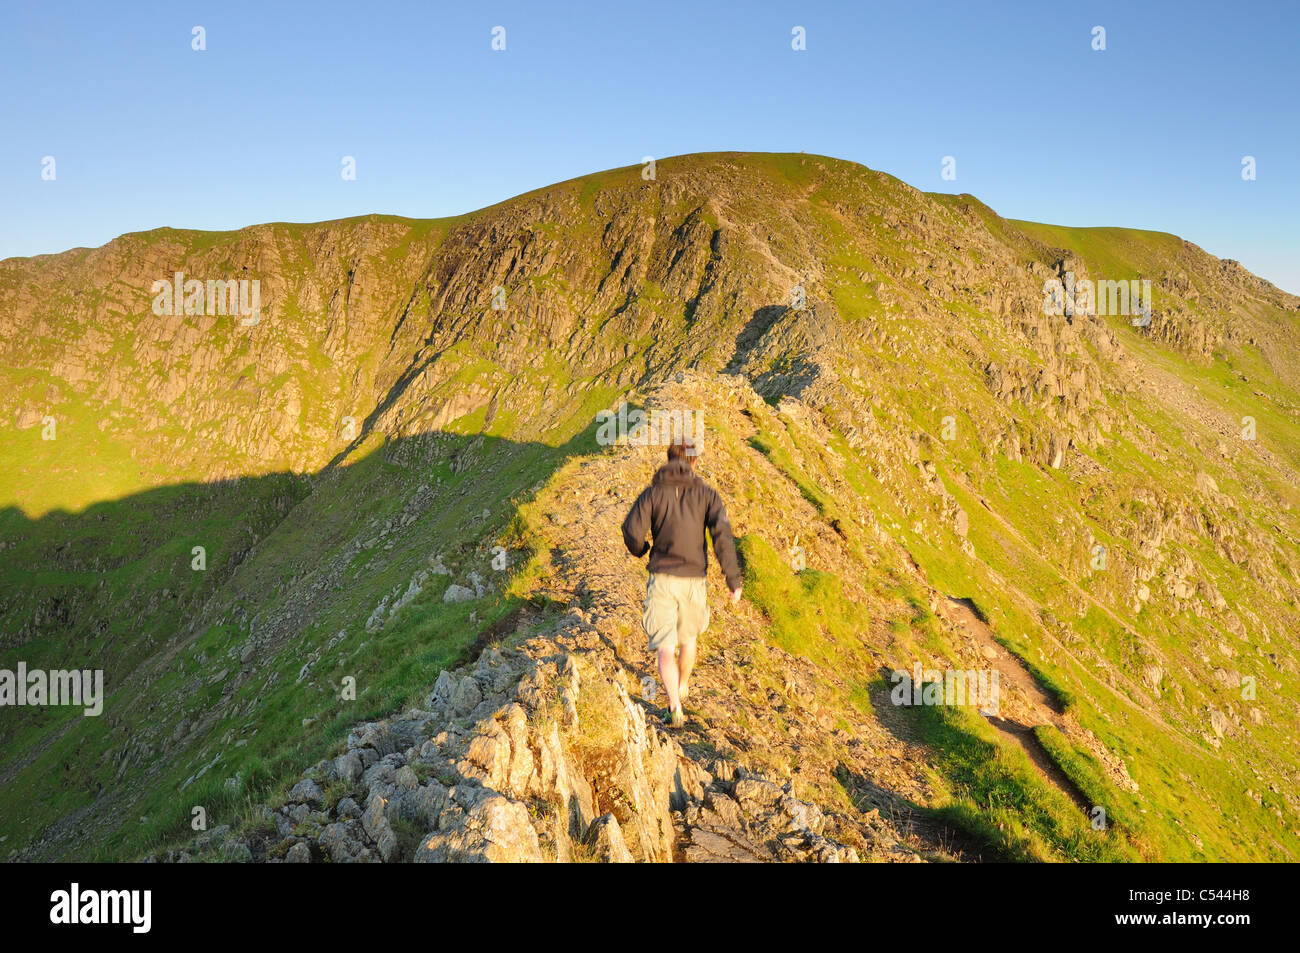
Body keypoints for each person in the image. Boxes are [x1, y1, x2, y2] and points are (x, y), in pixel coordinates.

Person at [621, 436, 743, 728]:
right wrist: (733, 579)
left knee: (665, 647)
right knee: (688, 640)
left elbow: (631, 531)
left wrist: (642, 550)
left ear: (668, 459)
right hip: (693, 580)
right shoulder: (707, 495)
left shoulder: (652, 494)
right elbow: (722, 537)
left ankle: (674, 706)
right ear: (693, 462)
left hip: (662, 578)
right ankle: (683, 684)